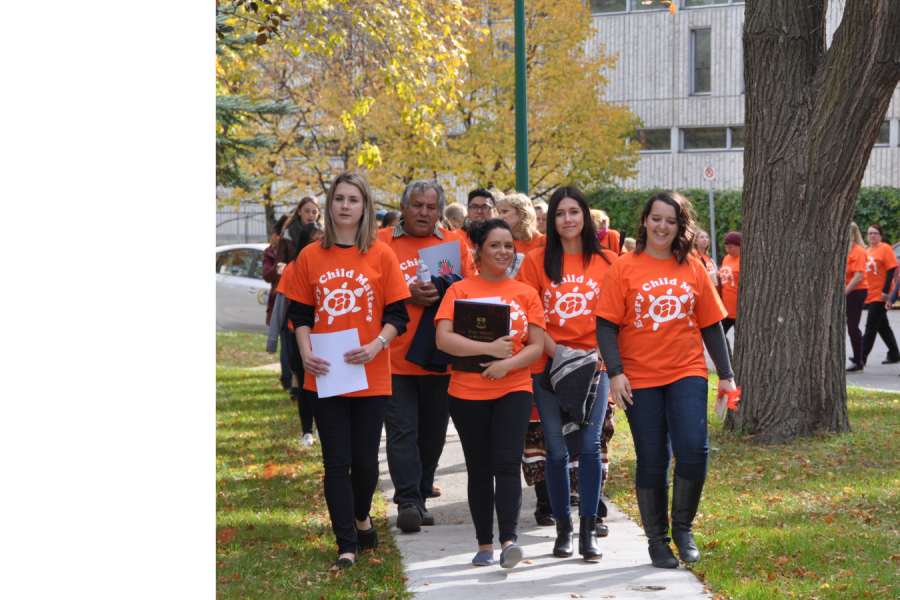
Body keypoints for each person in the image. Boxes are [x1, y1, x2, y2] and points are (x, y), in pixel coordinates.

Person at [594, 190, 736, 569]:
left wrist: (726, 375)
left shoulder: (692, 266)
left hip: (686, 370)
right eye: (656, 218)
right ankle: (657, 540)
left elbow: (711, 325)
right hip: (638, 376)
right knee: (653, 458)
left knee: (693, 448)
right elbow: (605, 325)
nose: (662, 226)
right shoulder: (623, 267)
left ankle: (683, 528)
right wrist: (616, 372)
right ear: (645, 221)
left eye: (671, 221)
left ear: (680, 227)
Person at [281, 171, 412, 569]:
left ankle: (360, 516)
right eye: (339, 198)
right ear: (330, 204)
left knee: (366, 461)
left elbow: (398, 314)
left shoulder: (380, 254)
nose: (345, 206)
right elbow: (300, 312)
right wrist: (305, 353)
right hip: (325, 371)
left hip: (372, 374)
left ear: (364, 206)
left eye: (353, 199)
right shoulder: (310, 256)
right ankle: (347, 543)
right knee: (336, 460)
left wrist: (376, 345)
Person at [434, 219, 546, 569]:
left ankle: (509, 541)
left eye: (509, 245)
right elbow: (443, 339)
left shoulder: (526, 292)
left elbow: (538, 346)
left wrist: (506, 364)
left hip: (514, 388)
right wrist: (485, 351)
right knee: (480, 470)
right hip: (466, 393)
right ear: (479, 251)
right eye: (495, 245)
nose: (503, 251)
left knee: (507, 465)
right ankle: (484, 544)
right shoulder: (460, 290)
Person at [517, 185, 618, 562]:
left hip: (595, 367)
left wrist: (586, 362)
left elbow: (613, 319)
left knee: (589, 447)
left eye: (575, 212)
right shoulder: (535, 261)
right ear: (551, 219)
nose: (568, 219)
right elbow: (531, 321)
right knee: (556, 450)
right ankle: (563, 528)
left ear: (586, 216)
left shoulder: (607, 261)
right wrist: (562, 359)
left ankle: (588, 531)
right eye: (560, 213)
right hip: (547, 368)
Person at [377, 180, 475, 533]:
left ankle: (420, 489)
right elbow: (370, 293)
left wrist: (445, 292)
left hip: (440, 357)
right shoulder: (382, 242)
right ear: (403, 208)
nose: (423, 212)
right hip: (393, 357)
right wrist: (407, 296)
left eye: (431, 207)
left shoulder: (454, 243)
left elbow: (471, 290)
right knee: (402, 429)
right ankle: (408, 501)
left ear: (439, 211)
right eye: (417, 205)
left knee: (433, 434)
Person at [267, 222, 325, 444]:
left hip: (324, 336)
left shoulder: (330, 265)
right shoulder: (294, 266)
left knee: (324, 383)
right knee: (304, 382)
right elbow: (280, 308)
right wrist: (273, 341)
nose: (316, 245)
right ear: (303, 243)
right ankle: (307, 431)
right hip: (297, 334)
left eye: (320, 239)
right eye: (312, 240)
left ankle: (323, 427)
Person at [860, 224, 900, 366]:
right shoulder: (867, 251)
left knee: (871, 326)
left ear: (880, 235)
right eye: (870, 233)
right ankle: (894, 353)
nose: (872, 236)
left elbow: (891, 269)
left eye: (875, 233)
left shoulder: (885, 248)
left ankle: (861, 357)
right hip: (870, 294)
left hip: (881, 294)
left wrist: (885, 290)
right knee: (882, 326)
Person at [263, 214, 292, 391]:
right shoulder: (271, 251)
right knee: (286, 342)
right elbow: (267, 275)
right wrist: (279, 269)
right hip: (280, 299)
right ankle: (287, 377)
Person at [845, 222, 870, 372]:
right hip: (849, 290)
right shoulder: (847, 250)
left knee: (853, 326)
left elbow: (858, 276)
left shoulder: (858, 251)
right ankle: (856, 355)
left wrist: (843, 293)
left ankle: (858, 360)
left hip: (856, 291)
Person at [276, 196, 320, 272]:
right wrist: (282, 269)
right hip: (292, 279)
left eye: (314, 212)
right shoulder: (286, 235)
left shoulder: (324, 236)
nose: (310, 215)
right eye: (307, 211)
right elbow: (278, 265)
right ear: (299, 211)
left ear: (318, 213)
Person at [718, 231, 741, 335]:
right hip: (725, 308)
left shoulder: (744, 260)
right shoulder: (727, 258)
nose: (727, 250)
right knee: (719, 336)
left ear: (740, 245)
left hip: (739, 309)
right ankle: (728, 352)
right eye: (726, 247)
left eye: (730, 247)